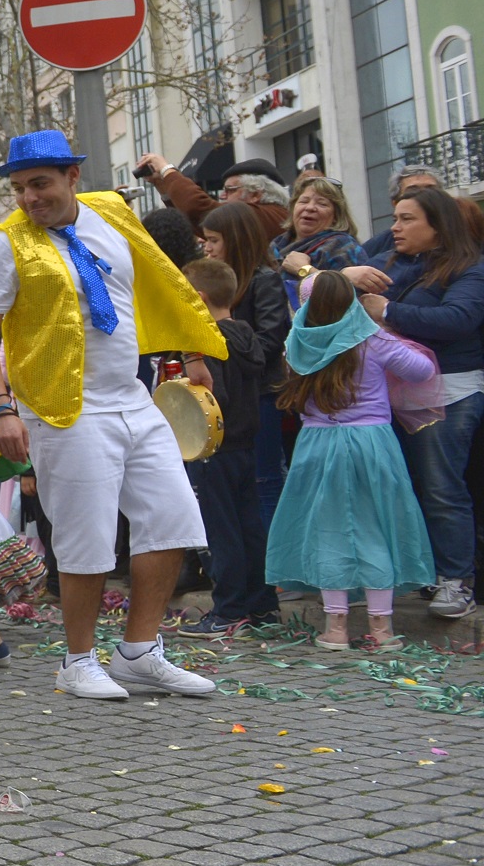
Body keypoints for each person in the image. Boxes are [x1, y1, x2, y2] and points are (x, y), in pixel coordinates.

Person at [0, 132, 222, 703]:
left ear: (72, 178)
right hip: (62, 408)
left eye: (41, 183)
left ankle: (138, 652)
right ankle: (77, 659)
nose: (30, 198)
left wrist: (191, 355)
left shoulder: (111, 212)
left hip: (132, 397)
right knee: (86, 538)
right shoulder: (6, 244)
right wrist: (2, 406)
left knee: (173, 519)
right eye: (19, 188)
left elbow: (160, 284)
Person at [267, 271, 438, 653]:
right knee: (374, 529)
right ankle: (380, 628)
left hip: (317, 444)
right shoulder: (373, 340)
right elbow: (422, 370)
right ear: (353, 302)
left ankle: (336, 627)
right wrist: (383, 332)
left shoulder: (296, 343)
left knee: (328, 530)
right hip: (372, 443)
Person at [340, 184, 484, 619]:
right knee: (409, 487)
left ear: (437, 226)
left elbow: (458, 320)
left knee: (442, 487)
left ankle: (456, 582)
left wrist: (388, 311)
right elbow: (334, 296)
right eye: (395, 217)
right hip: (395, 394)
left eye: (407, 219)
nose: (396, 227)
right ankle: (423, 573)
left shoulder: (470, 268)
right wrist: (345, 278)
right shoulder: (397, 264)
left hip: (450, 393)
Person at [167, 257, 273, 639]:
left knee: (220, 532)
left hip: (215, 451)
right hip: (247, 447)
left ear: (196, 297)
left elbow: (214, 399)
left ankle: (228, 610)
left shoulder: (206, 340)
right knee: (249, 528)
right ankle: (262, 606)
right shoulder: (245, 332)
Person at [193, 201, 294, 532]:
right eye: (205, 240)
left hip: (260, 394)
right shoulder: (213, 281)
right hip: (224, 398)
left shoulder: (265, 280)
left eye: (214, 240)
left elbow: (269, 342)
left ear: (236, 239)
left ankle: (272, 564)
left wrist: (227, 342)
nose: (207, 247)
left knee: (264, 478)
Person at [130, 153, 289, 241]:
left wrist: (167, 170)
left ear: (255, 195)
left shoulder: (266, 215)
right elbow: (199, 223)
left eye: (230, 189)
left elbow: (198, 207)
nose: (222, 195)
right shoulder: (271, 214)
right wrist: (162, 184)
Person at [273, 177, 362, 281]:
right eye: (304, 201)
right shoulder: (274, 247)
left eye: (322, 204)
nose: (310, 207)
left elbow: (347, 294)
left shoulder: (343, 247)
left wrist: (303, 269)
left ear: (336, 216)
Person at [362, 167, 441, 260]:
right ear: (395, 203)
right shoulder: (377, 249)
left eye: (431, 191)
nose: (424, 198)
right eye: (413, 192)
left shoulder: (460, 241)